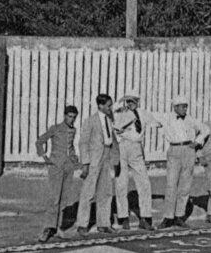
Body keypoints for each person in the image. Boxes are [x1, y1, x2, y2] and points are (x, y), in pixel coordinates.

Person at [153, 97, 204, 225]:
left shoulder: (191, 119)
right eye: (182, 106)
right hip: (174, 150)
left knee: (185, 185)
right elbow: (149, 117)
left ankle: (179, 216)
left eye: (186, 106)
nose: (184, 109)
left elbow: (205, 130)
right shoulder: (167, 118)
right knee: (171, 185)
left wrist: (197, 142)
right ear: (175, 107)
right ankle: (168, 217)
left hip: (188, 150)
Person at [73, 93, 118, 233]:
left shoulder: (110, 120)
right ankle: (82, 224)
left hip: (107, 156)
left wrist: (115, 159)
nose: (111, 108)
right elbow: (83, 143)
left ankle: (104, 223)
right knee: (88, 193)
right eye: (108, 106)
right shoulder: (90, 121)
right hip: (94, 159)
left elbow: (113, 140)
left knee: (106, 191)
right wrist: (85, 163)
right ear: (100, 106)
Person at [40, 104, 81, 239]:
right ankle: (48, 228)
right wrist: (44, 157)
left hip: (68, 167)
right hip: (56, 166)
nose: (72, 120)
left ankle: (58, 228)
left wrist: (74, 157)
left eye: (74, 117)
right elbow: (39, 142)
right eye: (69, 117)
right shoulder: (56, 129)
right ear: (64, 116)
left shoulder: (73, 130)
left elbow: (71, 147)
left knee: (64, 198)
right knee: (54, 198)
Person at [111, 95, 150, 227]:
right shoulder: (120, 113)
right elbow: (113, 111)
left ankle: (145, 217)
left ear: (138, 102)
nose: (130, 104)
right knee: (121, 183)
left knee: (144, 183)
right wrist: (121, 101)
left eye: (133, 101)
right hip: (122, 146)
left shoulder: (143, 113)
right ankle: (123, 217)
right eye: (128, 101)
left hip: (136, 148)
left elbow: (159, 122)